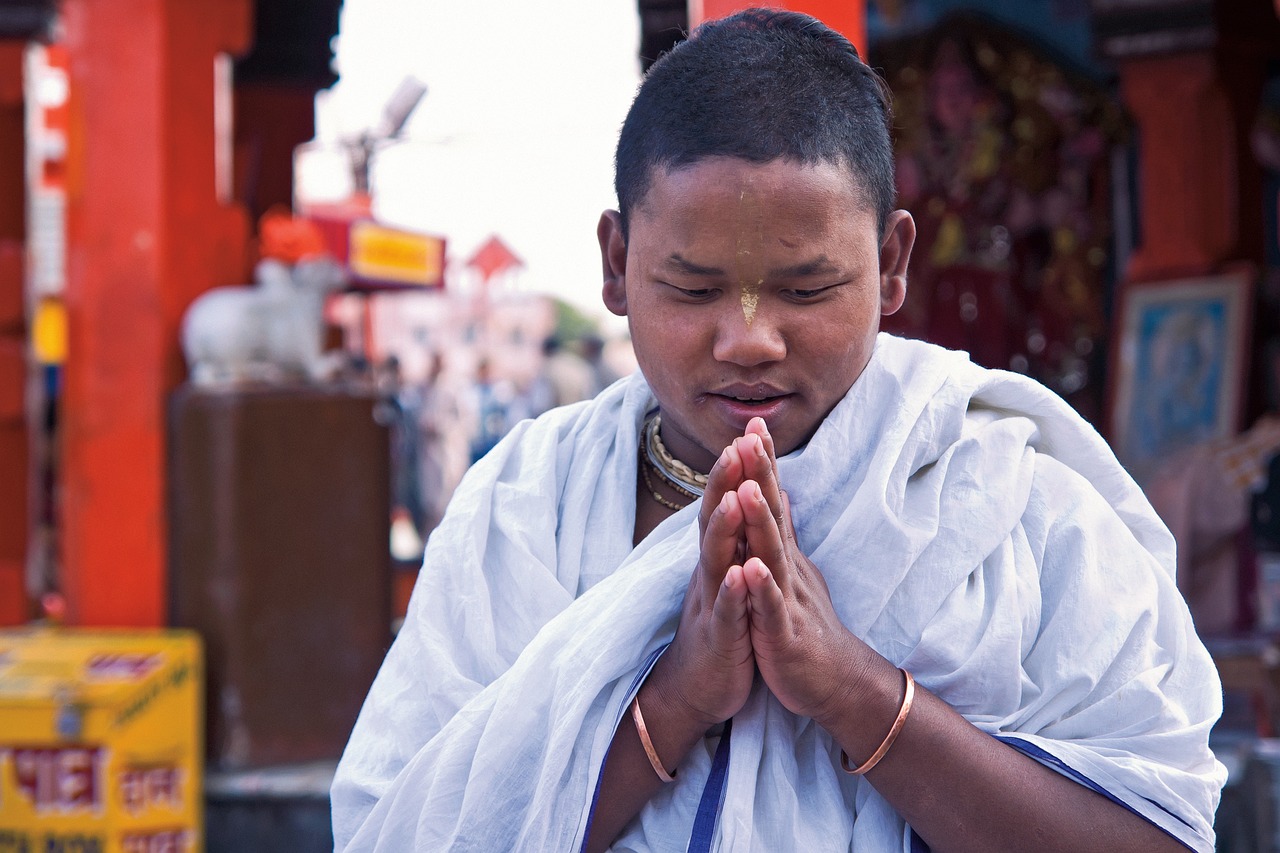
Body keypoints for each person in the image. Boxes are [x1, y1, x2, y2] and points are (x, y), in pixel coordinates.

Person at [331, 10, 1225, 852]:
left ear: (892, 264)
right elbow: (403, 824)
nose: (749, 339)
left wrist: (851, 688)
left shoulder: (1012, 499)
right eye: (692, 288)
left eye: (806, 289)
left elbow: (1159, 829)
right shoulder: (524, 510)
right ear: (615, 264)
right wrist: (677, 694)